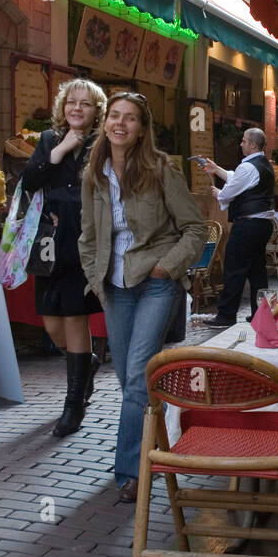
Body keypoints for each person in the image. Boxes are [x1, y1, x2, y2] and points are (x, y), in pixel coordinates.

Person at [79, 92, 206, 504]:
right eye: (114, 116)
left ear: (142, 127)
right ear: (105, 122)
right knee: (130, 380)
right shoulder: (94, 174)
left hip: (154, 283)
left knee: (135, 377)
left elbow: (194, 228)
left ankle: (131, 472)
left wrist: (167, 267)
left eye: (130, 118)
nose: (120, 124)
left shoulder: (161, 169)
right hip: (114, 287)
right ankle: (160, 441)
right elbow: (88, 236)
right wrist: (95, 279)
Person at [21, 78, 107, 436]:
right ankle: (85, 363)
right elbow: (28, 181)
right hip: (50, 241)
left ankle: (73, 406)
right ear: (63, 106)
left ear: (95, 110)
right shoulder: (48, 140)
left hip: (85, 239)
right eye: (72, 102)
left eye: (85, 104)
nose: (77, 108)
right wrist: (59, 151)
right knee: (52, 323)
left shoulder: (104, 143)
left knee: (74, 317)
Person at [198, 128, 276, 326]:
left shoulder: (248, 167)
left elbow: (230, 191)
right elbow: (238, 180)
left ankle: (226, 315)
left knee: (234, 268)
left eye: (243, 141)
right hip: (262, 224)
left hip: (248, 224)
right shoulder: (263, 165)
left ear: (253, 145)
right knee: (256, 270)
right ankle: (261, 313)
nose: (240, 144)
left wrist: (219, 193)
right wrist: (216, 169)